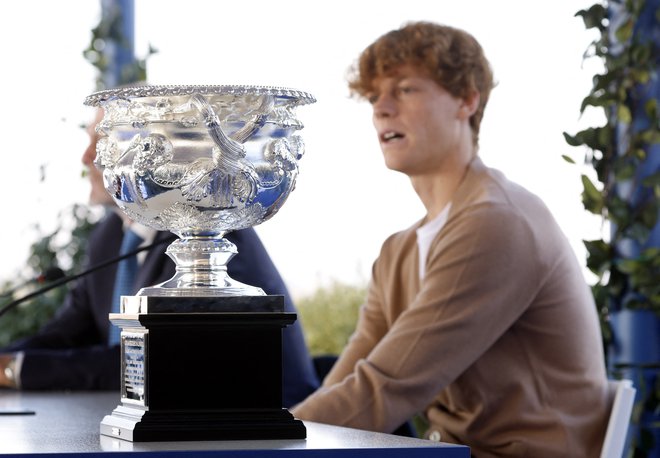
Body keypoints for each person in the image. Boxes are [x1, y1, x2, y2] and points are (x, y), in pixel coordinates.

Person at [291, 21, 610, 457]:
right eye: (373, 96)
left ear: (467, 99)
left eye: (404, 90)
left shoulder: (497, 223)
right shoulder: (397, 252)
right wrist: (278, 431)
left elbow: (384, 390)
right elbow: (350, 382)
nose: (381, 108)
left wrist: (260, 443)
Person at [0, 107, 320, 408]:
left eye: (102, 143)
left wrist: (17, 370)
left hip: (263, 427)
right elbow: (67, 333)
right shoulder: (108, 237)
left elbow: (157, 359)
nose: (87, 157)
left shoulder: (207, 229)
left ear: (148, 154)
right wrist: (7, 359)